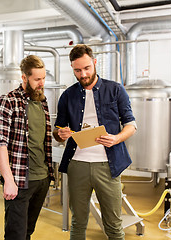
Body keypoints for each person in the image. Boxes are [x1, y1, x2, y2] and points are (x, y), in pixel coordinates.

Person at [53, 44, 137, 240]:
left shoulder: (115, 90)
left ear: (95, 63)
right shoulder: (67, 95)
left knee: (114, 225)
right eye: (77, 70)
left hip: (108, 166)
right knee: (78, 222)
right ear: (72, 68)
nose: (83, 74)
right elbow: (57, 131)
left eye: (87, 68)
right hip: (77, 165)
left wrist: (116, 138)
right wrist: (60, 133)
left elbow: (131, 125)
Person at [0, 55, 54, 240]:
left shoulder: (42, 102)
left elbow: (41, 138)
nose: (41, 83)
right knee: (15, 235)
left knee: (27, 231)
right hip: (19, 180)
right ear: (24, 78)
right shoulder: (8, 102)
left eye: (43, 78)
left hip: (42, 178)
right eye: (37, 79)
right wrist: (9, 180)